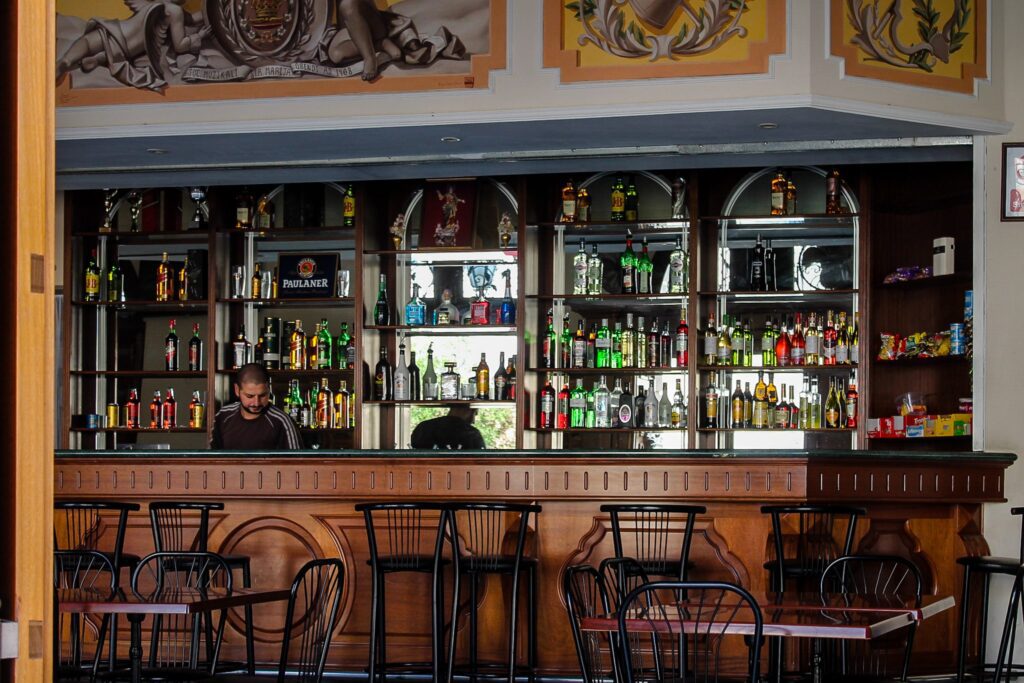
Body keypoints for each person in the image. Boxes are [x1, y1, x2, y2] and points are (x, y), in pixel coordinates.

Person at [211, 364, 302, 450]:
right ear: (237, 390)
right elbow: (210, 459)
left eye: (262, 395)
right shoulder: (223, 416)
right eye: (250, 396)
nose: (256, 403)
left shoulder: (281, 421)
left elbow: (298, 461)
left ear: (268, 389)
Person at [411, 405, 484, 450]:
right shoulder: (472, 434)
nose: (473, 420)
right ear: (467, 409)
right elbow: (482, 461)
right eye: (474, 413)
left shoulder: (423, 428)